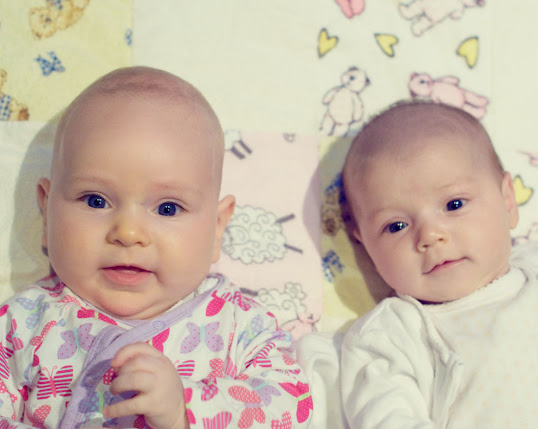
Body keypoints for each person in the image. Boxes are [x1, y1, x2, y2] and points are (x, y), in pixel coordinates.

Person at [0, 67, 312, 428]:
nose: (129, 233)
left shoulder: (238, 326)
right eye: (96, 201)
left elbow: (292, 405)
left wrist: (185, 409)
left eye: (168, 208)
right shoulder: (22, 323)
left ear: (216, 230)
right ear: (47, 212)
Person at [340, 100, 538, 428]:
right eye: (396, 226)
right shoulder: (393, 337)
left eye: (454, 204)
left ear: (508, 201)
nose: (430, 235)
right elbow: (386, 418)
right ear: (365, 245)